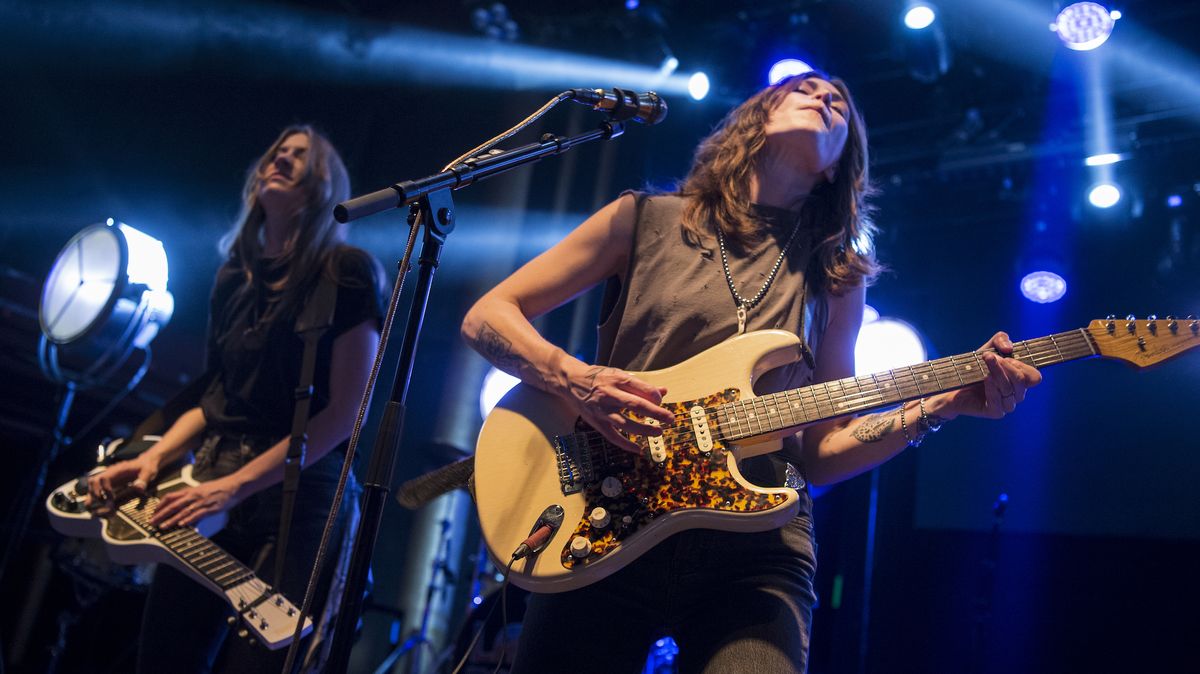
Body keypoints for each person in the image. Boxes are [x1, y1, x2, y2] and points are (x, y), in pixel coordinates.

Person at [461, 72, 1042, 673]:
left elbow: (820, 449)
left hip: (756, 551)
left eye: (839, 105)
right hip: (604, 512)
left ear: (836, 167)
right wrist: (574, 378)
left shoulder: (837, 278)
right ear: (756, 118)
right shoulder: (643, 219)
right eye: (807, 90)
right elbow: (488, 315)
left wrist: (934, 408)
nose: (824, 100)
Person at [85, 125, 383, 673]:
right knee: (165, 657)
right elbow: (215, 395)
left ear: (323, 186)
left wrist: (235, 487)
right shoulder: (232, 279)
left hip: (300, 493)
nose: (282, 160)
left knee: (262, 663)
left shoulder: (346, 273)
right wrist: (152, 456)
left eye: (300, 157)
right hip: (211, 480)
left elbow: (345, 413)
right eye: (277, 152)